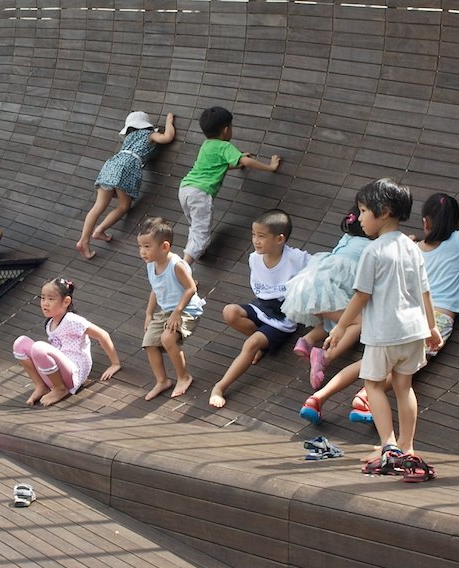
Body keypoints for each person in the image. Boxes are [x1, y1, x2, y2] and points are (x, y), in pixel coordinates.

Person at [300, 193, 459, 425]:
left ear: (426, 222)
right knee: (402, 370)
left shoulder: (413, 248)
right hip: (437, 319)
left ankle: (318, 397)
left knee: (369, 363)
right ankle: (364, 398)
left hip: (406, 316)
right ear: (457, 222)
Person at [324, 178, 441, 463]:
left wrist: (340, 327)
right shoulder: (413, 247)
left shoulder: (373, 251)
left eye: (364, 211)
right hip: (413, 331)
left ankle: (388, 444)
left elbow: (361, 296)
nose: (360, 217)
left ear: (384, 211)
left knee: (374, 385)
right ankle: (407, 445)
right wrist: (432, 327)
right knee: (404, 387)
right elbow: (424, 290)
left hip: (384, 333)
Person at [209, 209, 310, 408]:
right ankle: (261, 344)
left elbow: (322, 266)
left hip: (282, 318)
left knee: (250, 344)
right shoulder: (254, 257)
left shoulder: (296, 258)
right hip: (262, 306)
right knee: (230, 312)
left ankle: (220, 387)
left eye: (262, 236)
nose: (256, 240)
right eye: (254, 235)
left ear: (280, 239)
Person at [179, 106, 282, 264]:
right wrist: (270, 167)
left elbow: (219, 166)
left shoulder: (206, 145)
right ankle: (182, 272)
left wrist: (238, 161)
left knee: (196, 226)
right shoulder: (224, 146)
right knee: (200, 234)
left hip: (185, 189)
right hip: (200, 193)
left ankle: (197, 251)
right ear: (226, 130)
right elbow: (245, 161)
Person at [282, 208, 370, 390]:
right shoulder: (369, 248)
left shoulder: (347, 238)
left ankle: (306, 341)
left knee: (335, 320)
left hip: (308, 287)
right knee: (356, 323)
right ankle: (326, 357)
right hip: (321, 291)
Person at [75, 111, 176, 259]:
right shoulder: (149, 134)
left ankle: (84, 240)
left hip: (112, 163)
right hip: (128, 166)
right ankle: (99, 230)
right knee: (123, 206)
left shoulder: (128, 138)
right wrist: (169, 120)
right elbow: (167, 137)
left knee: (98, 206)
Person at [13, 277, 121, 406]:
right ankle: (41, 386)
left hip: (74, 372)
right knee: (20, 343)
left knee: (38, 347)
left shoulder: (72, 320)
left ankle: (60, 389)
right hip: (58, 371)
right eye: (42, 298)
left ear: (66, 302)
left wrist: (115, 363)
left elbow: (102, 335)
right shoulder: (50, 322)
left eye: (51, 299)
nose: (45, 303)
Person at [138, 217, 205, 400]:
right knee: (149, 342)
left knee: (167, 339)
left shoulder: (176, 265)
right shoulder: (151, 265)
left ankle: (184, 377)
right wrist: (149, 313)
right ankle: (162, 381)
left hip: (186, 310)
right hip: (166, 311)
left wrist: (177, 313)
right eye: (140, 247)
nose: (143, 252)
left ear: (164, 247)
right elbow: (155, 289)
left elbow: (191, 288)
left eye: (147, 246)